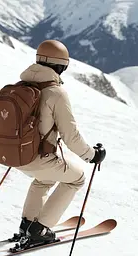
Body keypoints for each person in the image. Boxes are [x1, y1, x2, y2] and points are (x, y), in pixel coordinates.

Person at [16, 40, 106, 243]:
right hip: (37, 158)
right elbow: (70, 136)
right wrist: (92, 155)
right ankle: (38, 230)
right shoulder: (56, 93)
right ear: (61, 66)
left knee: (44, 179)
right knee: (77, 178)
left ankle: (27, 224)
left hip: (17, 155)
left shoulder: (21, 86)